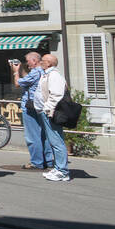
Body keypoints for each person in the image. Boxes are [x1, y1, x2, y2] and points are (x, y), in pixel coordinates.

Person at [10, 52, 50, 170]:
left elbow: (18, 83)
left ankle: (36, 162)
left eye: (28, 61)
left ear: (34, 61)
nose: (27, 63)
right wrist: (21, 69)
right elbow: (28, 79)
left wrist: (15, 71)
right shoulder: (43, 71)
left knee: (32, 135)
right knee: (44, 134)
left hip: (30, 106)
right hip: (41, 105)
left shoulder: (35, 72)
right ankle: (49, 160)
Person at [39, 53, 71, 182]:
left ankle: (62, 171)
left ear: (49, 63)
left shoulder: (54, 75)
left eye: (43, 60)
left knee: (57, 141)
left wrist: (47, 108)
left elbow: (56, 94)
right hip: (50, 111)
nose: (41, 62)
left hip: (52, 112)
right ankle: (59, 168)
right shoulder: (48, 74)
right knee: (54, 141)